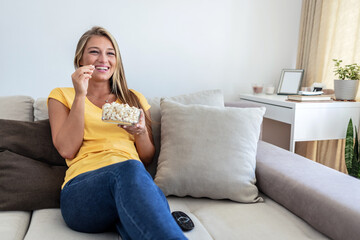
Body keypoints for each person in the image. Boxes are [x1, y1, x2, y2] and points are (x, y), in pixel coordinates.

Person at [47, 26, 187, 240]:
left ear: (117, 60)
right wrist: (80, 96)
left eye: (110, 53)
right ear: (80, 59)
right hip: (82, 192)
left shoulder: (135, 99)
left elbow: (147, 157)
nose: (103, 59)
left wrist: (140, 132)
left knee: (135, 179)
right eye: (94, 52)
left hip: (132, 186)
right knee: (129, 170)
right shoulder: (61, 96)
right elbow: (67, 149)